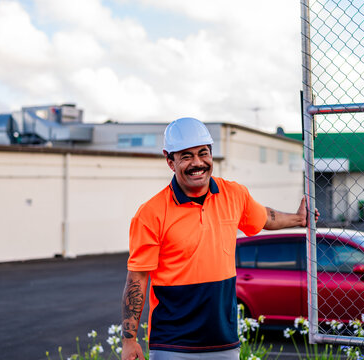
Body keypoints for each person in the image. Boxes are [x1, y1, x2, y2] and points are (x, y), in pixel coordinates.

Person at [121, 117, 318, 360]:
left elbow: (264, 216)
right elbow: (137, 278)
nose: (197, 163)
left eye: (203, 153)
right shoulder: (150, 213)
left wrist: (299, 219)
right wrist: (129, 340)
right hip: (172, 345)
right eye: (186, 156)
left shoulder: (234, 194)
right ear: (170, 161)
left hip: (224, 342)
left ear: (212, 154)